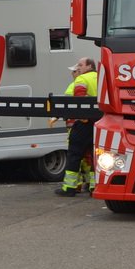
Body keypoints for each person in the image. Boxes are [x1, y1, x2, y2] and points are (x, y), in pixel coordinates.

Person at [55, 56, 99, 197]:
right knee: (94, 156)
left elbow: (78, 102)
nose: (78, 67)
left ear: (89, 66)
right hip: (99, 122)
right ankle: (94, 187)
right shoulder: (101, 77)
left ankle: (69, 188)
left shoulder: (81, 79)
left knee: (74, 154)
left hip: (84, 123)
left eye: (81, 65)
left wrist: (82, 119)